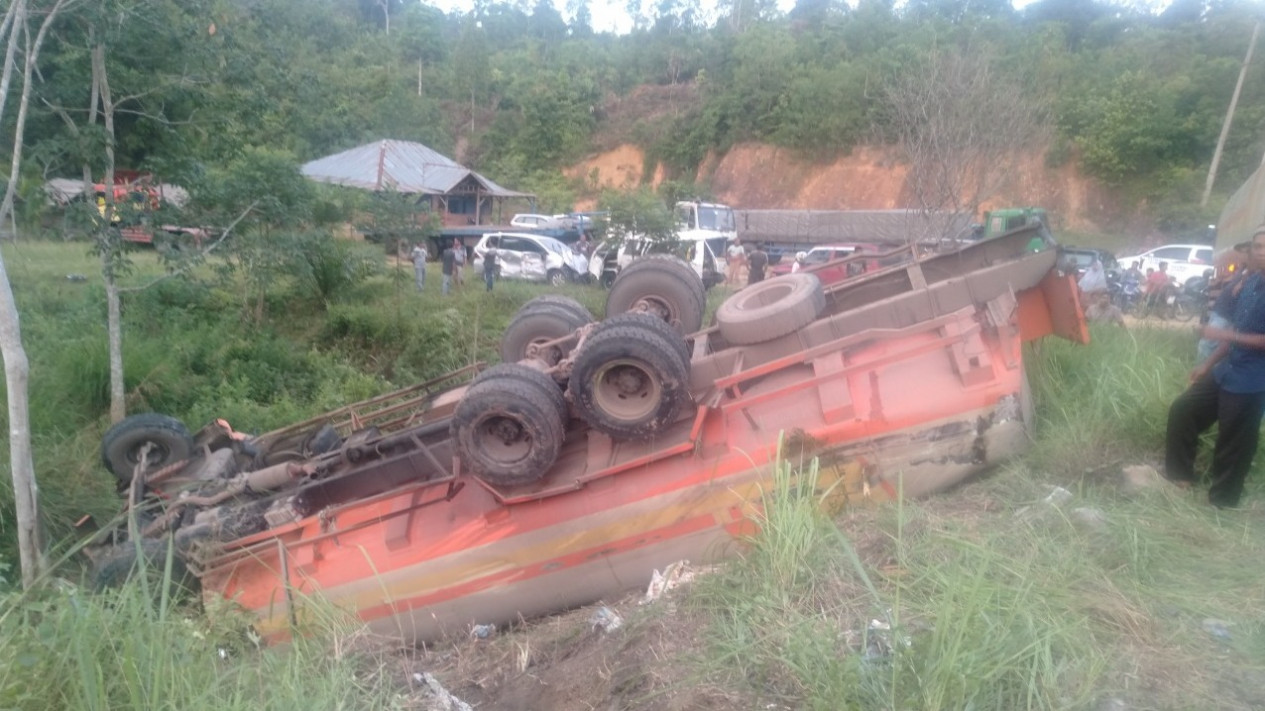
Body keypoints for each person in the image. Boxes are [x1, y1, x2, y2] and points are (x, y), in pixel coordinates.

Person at [1165, 226, 1265, 508]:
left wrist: (1223, 336)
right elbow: (1237, 330)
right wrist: (1208, 364)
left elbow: (1231, 334)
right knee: (1183, 410)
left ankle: (1222, 504)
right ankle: (1180, 478)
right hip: (1227, 369)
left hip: (1253, 380)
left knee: (1233, 444)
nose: (1261, 251)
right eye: (1258, 246)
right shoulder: (1251, 283)